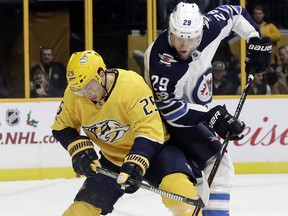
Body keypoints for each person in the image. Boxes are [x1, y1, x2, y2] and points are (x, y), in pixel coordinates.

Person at [144, 2, 271, 216]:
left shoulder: (210, 26)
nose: (184, 45)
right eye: (178, 38)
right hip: (162, 122)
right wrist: (211, 116)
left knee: (215, 171)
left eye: (190, 38)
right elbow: (170, 110)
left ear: (200, 29)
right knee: (214, 169)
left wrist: (255, 39)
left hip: (194, 114)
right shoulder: (161, 60)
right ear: (170, 30)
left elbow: (235, 13)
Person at [51, 50, 209, 216]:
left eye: (89, 87)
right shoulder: (74, 95)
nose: (86, 94)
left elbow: (149, 129)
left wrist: (136, 162)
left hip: (156, 151)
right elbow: (62, 128)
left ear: (101, 74)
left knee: (178, 189)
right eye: (79, 90)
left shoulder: (130, 85)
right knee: (80, 211)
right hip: (113, 159)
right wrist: (79, 150)